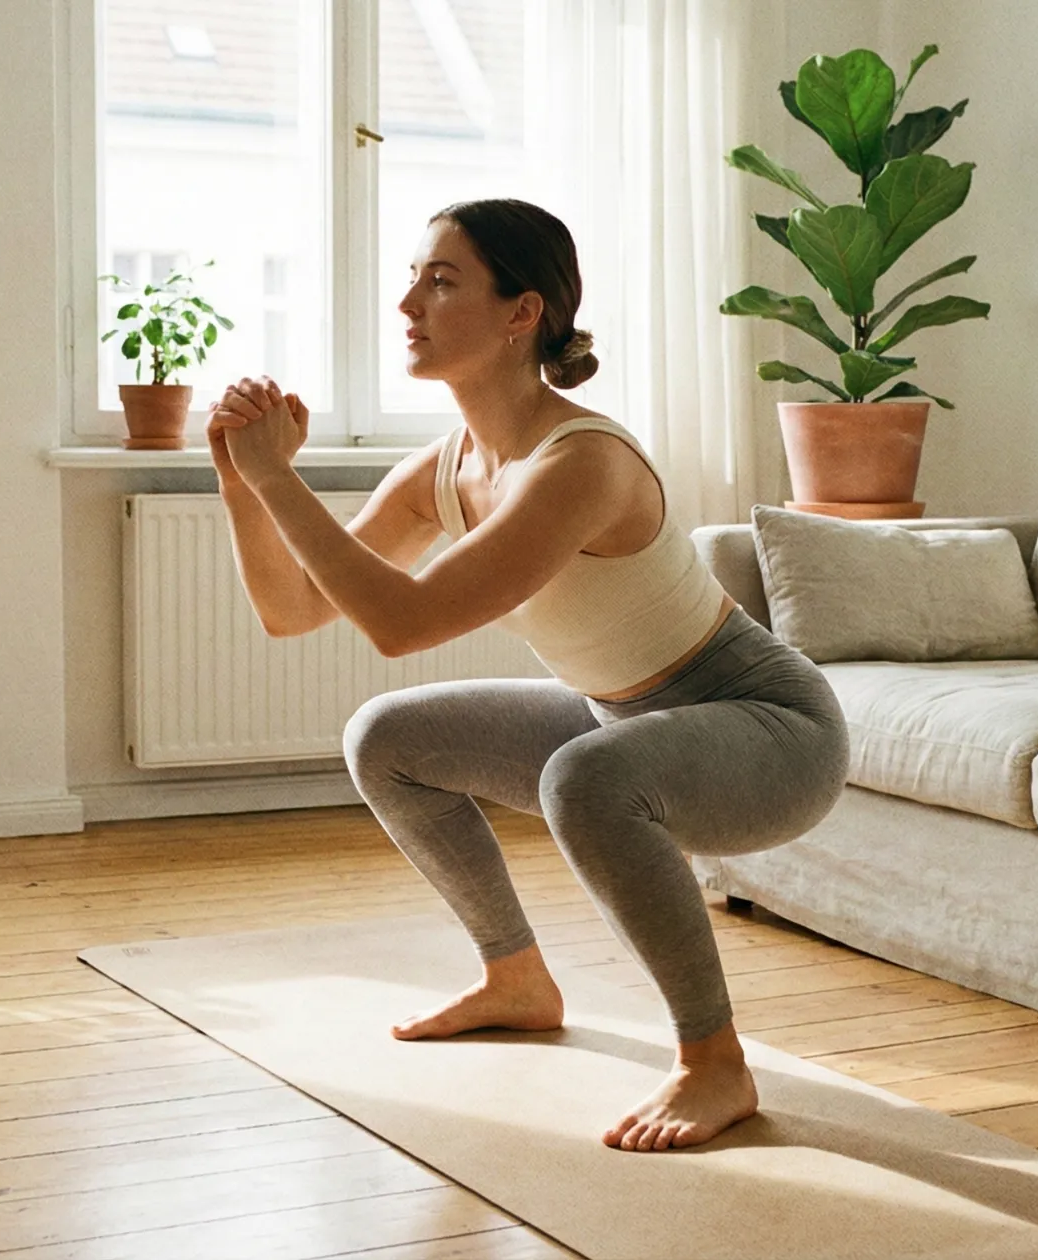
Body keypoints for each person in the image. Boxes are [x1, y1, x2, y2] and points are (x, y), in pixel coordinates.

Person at [204, 198, 849, 1153]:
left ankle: (715, 1061)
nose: (407, 304)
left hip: (772, 732)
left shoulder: (581, 462)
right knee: (387, 738)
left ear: (522, 312)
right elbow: (292, 610)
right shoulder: (446, 469)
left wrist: (278, 479)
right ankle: (515, 979)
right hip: (621, 719)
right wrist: (238, 479)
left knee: (586, 779)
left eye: (441, 282)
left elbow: (402, 622)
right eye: (414, 279)